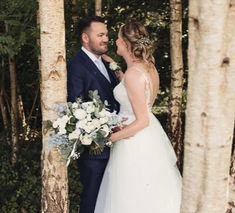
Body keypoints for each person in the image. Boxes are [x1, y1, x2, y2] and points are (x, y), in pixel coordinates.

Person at [94, 21, 182, 213]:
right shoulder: (148, 67)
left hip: (133, 140)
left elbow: (142, 120)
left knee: (130, 194)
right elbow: (131, 87)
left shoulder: (134, 74)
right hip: (149, 138)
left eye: (117, 37)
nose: (114, 40)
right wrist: (114, 66)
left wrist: (107, 138)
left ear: (125, 43)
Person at [67, 16, 120, 213]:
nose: (106, 38)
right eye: (100, 35)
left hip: (117, 143)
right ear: (85, 38)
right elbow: (77, 104)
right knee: (93, 196)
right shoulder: (76, 65)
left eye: (106, 34)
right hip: (94, 149)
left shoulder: (107, 63)